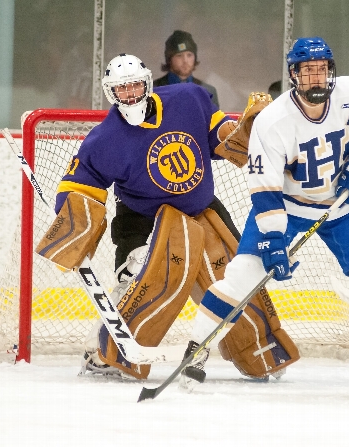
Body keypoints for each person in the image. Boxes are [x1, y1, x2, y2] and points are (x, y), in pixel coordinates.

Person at [179, 36, 349, 395]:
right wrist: (271, 238)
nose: (316, 77)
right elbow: (265, 189)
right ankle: (196, 351)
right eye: (307, 71)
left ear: (331, 72)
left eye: (322, 70)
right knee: (240, 277)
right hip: (287, 207)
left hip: (344, 208)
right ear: (294, 75)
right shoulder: (273, 122)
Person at [35, 53, 300, 381]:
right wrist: (72, 215)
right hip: (142, 216)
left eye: (134, 86)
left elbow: (219, 137)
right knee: (135, 279)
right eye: (122, 89)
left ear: (147, 84)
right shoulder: (105, 139)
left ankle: (257, 349)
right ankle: (102, 353)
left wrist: (248, 134)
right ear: (110, 93)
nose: (130, 95)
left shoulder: (188, 99)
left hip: (201, 206)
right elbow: (80, 184)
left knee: (232, 275)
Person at [153, 30, 219, 108]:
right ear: (169, 59)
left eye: (189, 55)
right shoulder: (155, 90)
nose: (185, 61)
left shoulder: (208, 92)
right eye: (179, 55)